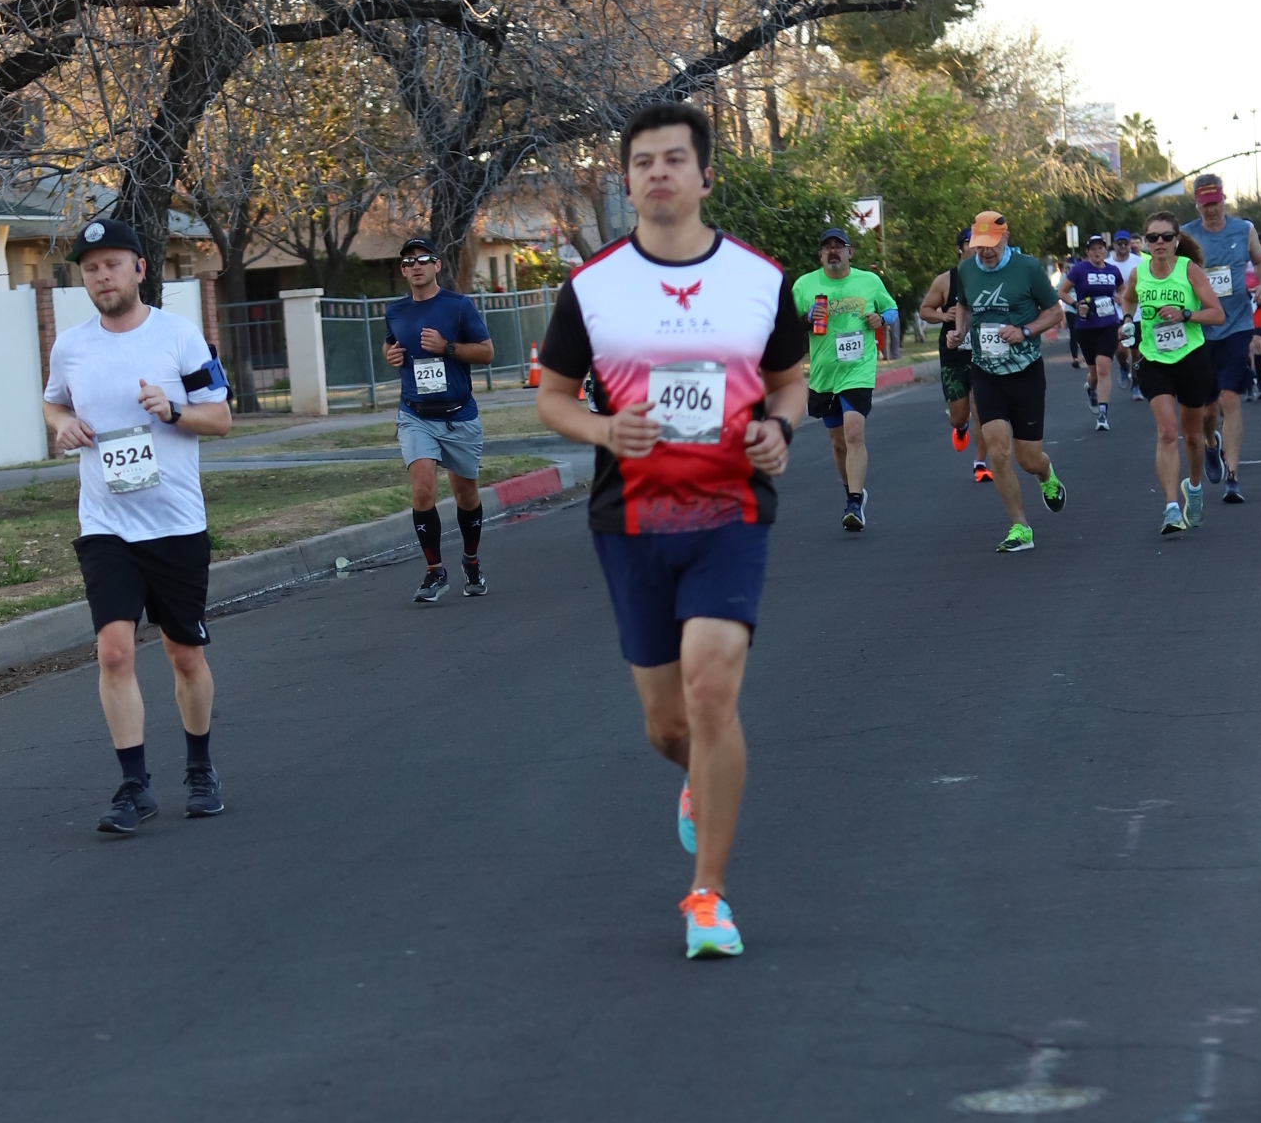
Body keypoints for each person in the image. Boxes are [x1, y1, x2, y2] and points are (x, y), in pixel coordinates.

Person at [532, 99, 806, 960]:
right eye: (643, 161)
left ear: (705, 175)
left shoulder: (759, 279)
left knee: (711, 689)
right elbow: (552, 398)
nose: (658, 173)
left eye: (674, 159)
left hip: (730, 509)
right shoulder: (594, 286)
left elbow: (791, 379)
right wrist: (604, 429)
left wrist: (780, 427)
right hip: (632, 517)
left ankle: (707, 897)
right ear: (627, 180)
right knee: (667, 725)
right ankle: (698, 777)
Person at [43, 215, 234, 832]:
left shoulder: (180, 337)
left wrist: (173, 410)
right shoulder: (71, 346)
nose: (102, 276)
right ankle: (135, 786)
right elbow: (53, 401)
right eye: (91, 269)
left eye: (113, 265)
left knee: (184, 654)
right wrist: (61, 425)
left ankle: (200, 768)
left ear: (139, 269)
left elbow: (220, 418)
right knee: (114, 650)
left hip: (175, 523)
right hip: (107, 524)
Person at [945, 211, 1070, 553]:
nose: (985, 252)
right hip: (985, 371)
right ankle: (1020, 526)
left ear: (1006, 237)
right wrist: (959, 332)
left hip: (1025, 371)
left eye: (992, 244)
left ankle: (1046, 474)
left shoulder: (1027, 268)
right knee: (999, 451)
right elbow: (963, 305)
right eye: (979, 245)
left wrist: (1024, 331)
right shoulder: (967, 270)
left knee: (1028, 459)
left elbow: (1055, 312)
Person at [382, 237, 495, 601]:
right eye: (408, 262)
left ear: (437, 265)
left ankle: (471, 561)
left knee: (466, 494)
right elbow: (390, 342)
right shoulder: (395, 311)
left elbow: (487, 352)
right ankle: (435, 571)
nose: (416, 266)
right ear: (403, 271)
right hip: (415, 415)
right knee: (422, 489)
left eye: (423, 260)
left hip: (459, 414)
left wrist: (447, 347)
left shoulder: (458, 306)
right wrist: (390, 354)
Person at [1123, 213, 1226, 535]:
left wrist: (1186, 314)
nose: (1160, 243)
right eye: (1153, 238)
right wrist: (1126, 321)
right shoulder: (1139, 273)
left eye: (1166, 236)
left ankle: (1193, 488)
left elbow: (1217, 314)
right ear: (1145, 242)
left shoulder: (1188, 270)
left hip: (1190, 358)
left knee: (1192, 436)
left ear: (1176, 240)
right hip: (1154, 359)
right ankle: (1170, 508)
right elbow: (1128, 299)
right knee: (1167, 432)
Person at [798, 227, 896, 531]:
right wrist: (807, 318)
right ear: (820, 255)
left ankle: (854, 503)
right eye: (827, 247)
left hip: (858, 369)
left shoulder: (869, 281)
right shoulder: (805, 285)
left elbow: (892, 309)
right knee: (838, 443)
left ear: (850, 252)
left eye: (838, 246)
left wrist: (881, 318)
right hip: (824, 372)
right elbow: (786, 323)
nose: (833, 251)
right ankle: (852, 490)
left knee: (854, 432)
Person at [1181, 172, 1261, 504]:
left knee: (1230, 399)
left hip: (1236, 324)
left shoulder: (1243, 229)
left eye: (1215, 203)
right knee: (1207, 411)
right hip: (1200, 329)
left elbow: (1260, 261)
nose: (1212, 210)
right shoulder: (1186, 236)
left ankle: (1232, 477)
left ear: (1223, 200)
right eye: (1205, 205)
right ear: (1197, 204)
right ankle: (1211, 444)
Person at [919, 228, 987, 477]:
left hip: (983, 355)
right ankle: (961, 427)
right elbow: (925, 310)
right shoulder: (946, 280)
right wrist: (943, 315)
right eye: (970, 242)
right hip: (954, 356)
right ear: (960, 248)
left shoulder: (989, 276)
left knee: (982, 409)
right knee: (959, 416)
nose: (976, 247)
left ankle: (980, 463)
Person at [1063, 233, 1124, 430]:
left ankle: (1103, 415)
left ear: (1106, 251)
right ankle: (1091, 387)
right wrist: (1076, 304)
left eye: (1100, 248)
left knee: (1104, 367)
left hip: (1109, 324)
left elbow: (1122, 289)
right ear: (1088, 252)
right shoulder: (1079, 269)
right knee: (1095, 373)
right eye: (1093, 249)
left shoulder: (1113, 270)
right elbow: (1062, 291)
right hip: (1086, 326)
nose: (1097, 252)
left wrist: (1120, 298)